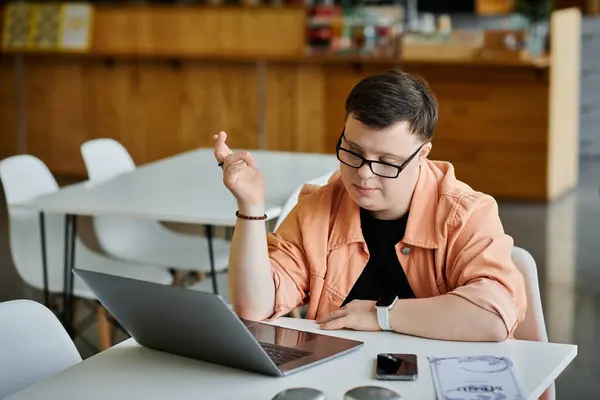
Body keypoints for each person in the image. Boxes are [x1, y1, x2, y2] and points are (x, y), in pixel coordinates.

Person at [213, 69, 526, 342]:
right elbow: (254, 306)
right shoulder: (318, 209)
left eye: (387, 162)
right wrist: (251, 204)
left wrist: (381, 316)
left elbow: (495, 315)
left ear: (422, 154)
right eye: (352, 151)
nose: (363, 173)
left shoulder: (465, 213)